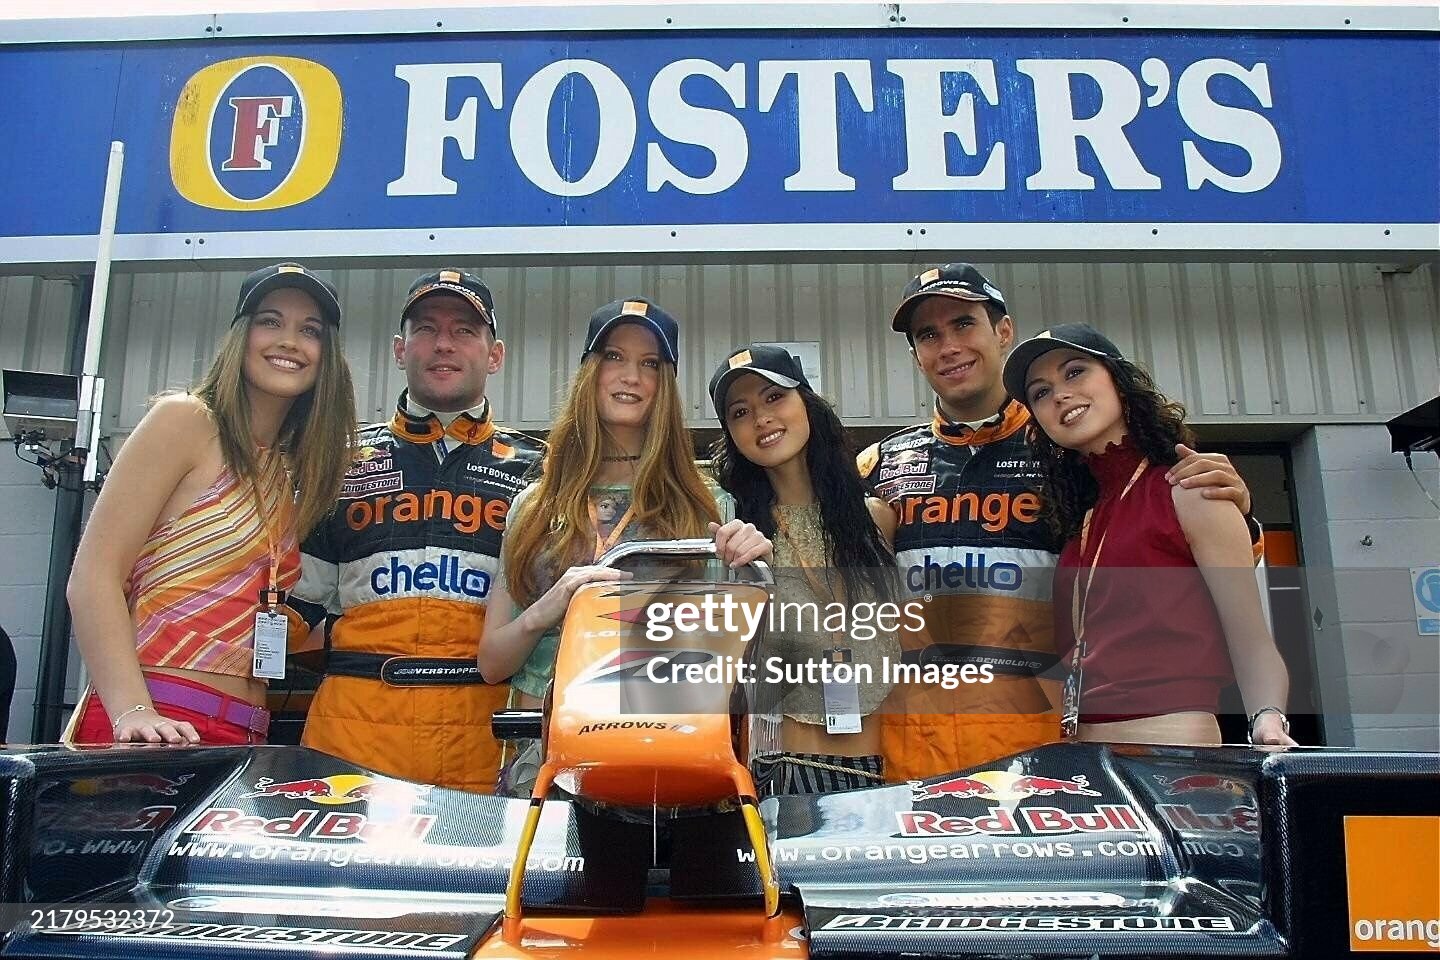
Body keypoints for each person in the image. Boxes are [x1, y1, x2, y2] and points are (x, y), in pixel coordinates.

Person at [860, 263, 1261, 781]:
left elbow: (1171, 545)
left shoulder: (1068, 447)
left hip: (1049, 753)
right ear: (916, 354)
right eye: (928, 335)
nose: (949, 346)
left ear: (1003, 331)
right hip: (914, 753)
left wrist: (1237, 516)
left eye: (964, 324)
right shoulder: (880, 464)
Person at [479, 299, 770, 795]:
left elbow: (744, 663)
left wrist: (759, 568)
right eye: (614, 356)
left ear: (665, 385)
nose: (631, 376)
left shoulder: (707, 502)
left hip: (667, 755)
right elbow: (491, 664)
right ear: (589, 373)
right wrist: (545, 610)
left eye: (650, 363)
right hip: (544, 758)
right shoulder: (532, 505)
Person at [66, 263, 356, 745]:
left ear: (327, 355)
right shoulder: (185, 421)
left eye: (310, 330)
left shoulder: (284, 469)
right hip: (157, 719)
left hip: (246, 729)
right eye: (270, 321)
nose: (289, 340)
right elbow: (93, 578)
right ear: (240, 336)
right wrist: (133, 711)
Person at [289, 269, 544, 794]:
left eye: (465, 330)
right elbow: (294, 613)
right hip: (354, 730)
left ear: (495, 355)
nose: (444, 344)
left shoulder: (542, 470)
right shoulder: (338, 462)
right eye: (427, 329)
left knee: (488, 880)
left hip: (490, 731)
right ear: (400, 350)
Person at [1003, 324, 1295, 747]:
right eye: (1040, 393)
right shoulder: (1076, 522)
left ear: (1119, 381)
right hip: (1079, 758)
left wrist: (1267, 718)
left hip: (1171, 748)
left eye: (1075, 372)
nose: (1060, 394)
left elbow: (1252, 639)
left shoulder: (1192, 490)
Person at [709, 343, 900, 794]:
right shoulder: (738, 536)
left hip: (881, 771)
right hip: (780, 768)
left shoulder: (876, 520)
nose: (761, 418)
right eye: (740, 411)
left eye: (774, 397)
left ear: (806, 402)